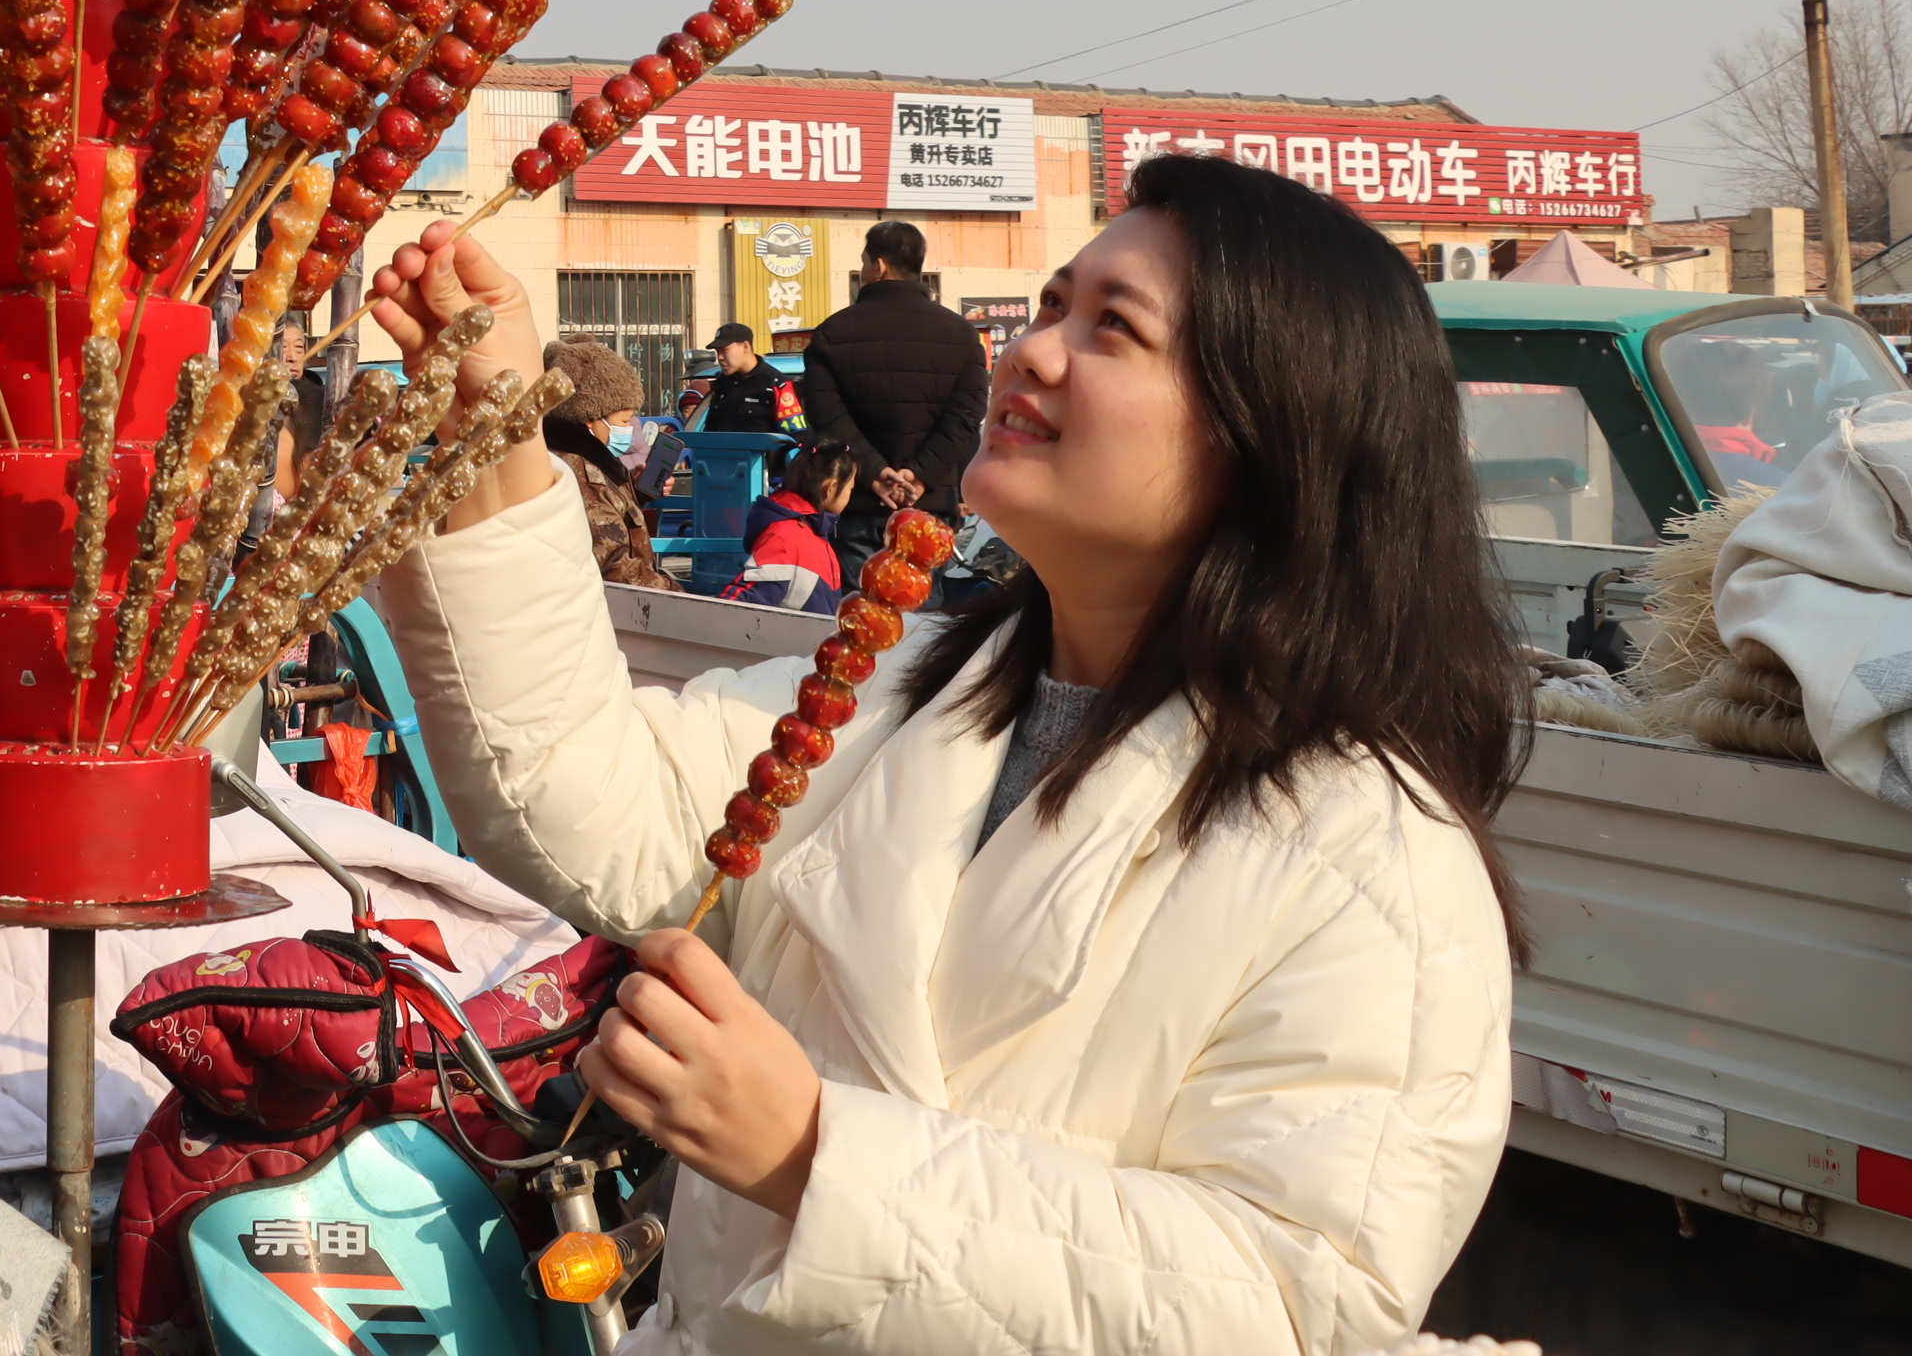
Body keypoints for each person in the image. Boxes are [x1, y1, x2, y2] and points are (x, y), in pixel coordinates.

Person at [363, 155, 1523, 1353]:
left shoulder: (1375, 858)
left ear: (1271, 432)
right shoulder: (889, 694)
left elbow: (1295, 1300)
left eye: (1112, 327)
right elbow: (571, 789)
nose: (1030, 350)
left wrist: (818, 1158)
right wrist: (494, 424)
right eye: (1054, 304)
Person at [800, 219, 987, 557]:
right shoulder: (962, 335)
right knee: (926, 606)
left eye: (863, 262)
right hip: (930, 505)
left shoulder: (833, 333)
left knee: (858, 606)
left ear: (879, 266)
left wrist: (874, 472)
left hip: (856, 502)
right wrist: (919, 476)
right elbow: (967, 416)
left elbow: (826, 415)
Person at [543, 337, 666, 588]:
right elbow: (614, 565)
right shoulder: (579, 471)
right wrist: (675, 592)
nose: (629, 430)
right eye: (623, 422)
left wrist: (635, 490)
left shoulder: (595, 459)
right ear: (590, 417)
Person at [730, 437, 860, 612]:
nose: (849, 496)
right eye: (850, 488)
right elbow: (735, 607)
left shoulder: (810, 532)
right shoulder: (786, 538)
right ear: (830, 488)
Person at [695, 322, 780, 435]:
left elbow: (795, 437)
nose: (720, 357)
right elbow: (710, 430)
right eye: (717, 352)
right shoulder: (721, 381)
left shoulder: (775, 384)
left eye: (725, 350)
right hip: (719, 452)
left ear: (746, 346)